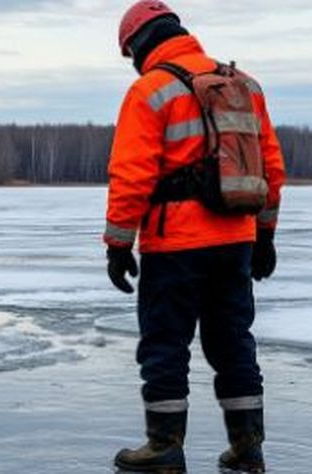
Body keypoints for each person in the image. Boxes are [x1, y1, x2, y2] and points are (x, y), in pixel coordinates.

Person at [105, 2, 285, 472]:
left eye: (130, 53)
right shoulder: (246, 85)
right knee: (233, 342)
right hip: (236, 242)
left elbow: (131, 175)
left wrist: (118, 244)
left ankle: (164, 446)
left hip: (177, 245)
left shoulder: (150, 90)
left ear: (140, 43)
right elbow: (272, 168)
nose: (133, 62)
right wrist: (264, 236)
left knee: (165, 343)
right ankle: (248, 448)